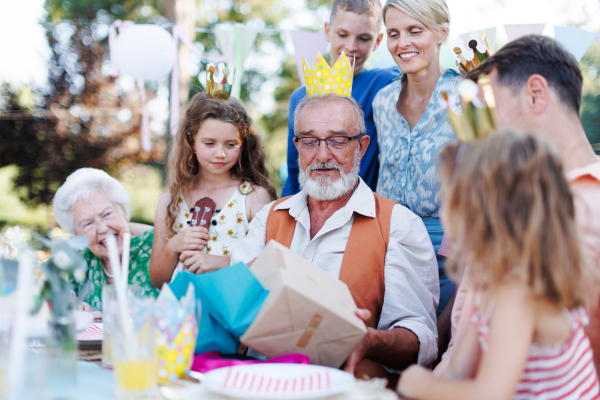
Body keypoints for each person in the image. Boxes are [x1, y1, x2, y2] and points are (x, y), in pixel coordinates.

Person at [232, 94, 440, 381]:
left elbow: (421, 338)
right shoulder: (270, 216)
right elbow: (233, 302)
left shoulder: (399, 226)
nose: (322, 155)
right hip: (259, 381)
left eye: (338, 141)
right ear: (297, 147)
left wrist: (370, 340)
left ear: (362, 147)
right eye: (310, 141)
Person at [435, 35, 600, 375]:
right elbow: (467, 320)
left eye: (488, 106)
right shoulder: (503, 201)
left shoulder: (587, 204)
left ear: (536, 94)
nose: (478, 128)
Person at [398, 131, 600, 399]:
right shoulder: (490, 276)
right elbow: (459, 371)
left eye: (448, 200)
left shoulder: (519, 290)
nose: (442, 212)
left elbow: (490, 394)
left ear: (481, 210)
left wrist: (417, 384)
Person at [373, 0, 461, 316]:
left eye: (415, 31)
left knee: (443, 342)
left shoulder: (467, 95)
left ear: (442, 33)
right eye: (394, 33)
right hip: (389, 245)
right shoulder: (381, 101)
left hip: (450, 248)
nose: (403, 43)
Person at [149, 93, 277, 288]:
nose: (220, 154)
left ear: (243, 143)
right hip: (182, 314)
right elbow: (157, 280)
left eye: (231, 144)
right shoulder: (170, 201)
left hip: (232, 312)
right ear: (191, 141)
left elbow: (270, 266)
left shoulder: (253, 197)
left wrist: (223, 262)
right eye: (209, 143)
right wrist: (172, 247)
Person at [282, 0, 400, 196]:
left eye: (363, 38)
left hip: (362, 213)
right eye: (342, 34)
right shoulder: (299, 98)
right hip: (311, 212)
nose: (351, 46)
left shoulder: (383, 84)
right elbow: (294, 172)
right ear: (328, 31)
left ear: (378, 41)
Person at [53, 168, 159, 314]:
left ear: (124, 212)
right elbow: (39, 283)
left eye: (107, 214)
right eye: (88, 223)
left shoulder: (159, 246)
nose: (102, 228)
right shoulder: (77, 256)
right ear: (77, 235)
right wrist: (68, 300)